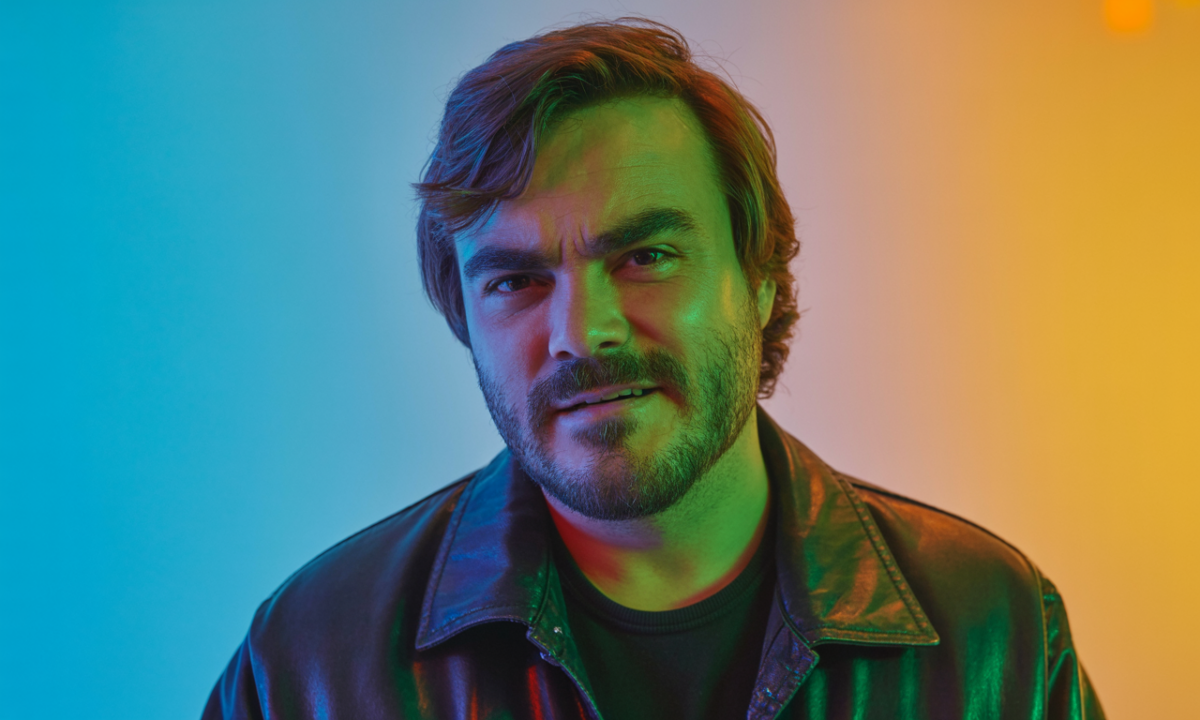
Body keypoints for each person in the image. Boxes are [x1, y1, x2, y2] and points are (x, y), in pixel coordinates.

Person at [203, 18, 1104, 720]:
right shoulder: (312, 661)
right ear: (464, 320)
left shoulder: (993, 628)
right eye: (517, 280)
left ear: (759, 280)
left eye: (645, 257)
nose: (581, 333)